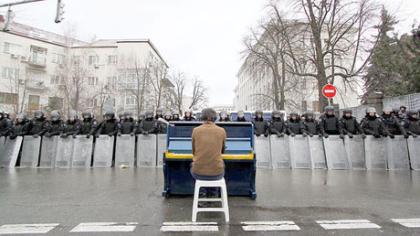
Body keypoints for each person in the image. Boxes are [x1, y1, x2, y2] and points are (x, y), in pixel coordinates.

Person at [191, 108, 226, 198]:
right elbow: (222, 151)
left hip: (198, 173)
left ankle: (202, 193)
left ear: (202, 117)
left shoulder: (195, 130)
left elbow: (194, 151)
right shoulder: (222, 131)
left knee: (194, 166)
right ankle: (213, 193)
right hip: (217, 173)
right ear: (214, 117)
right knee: (219, 165)